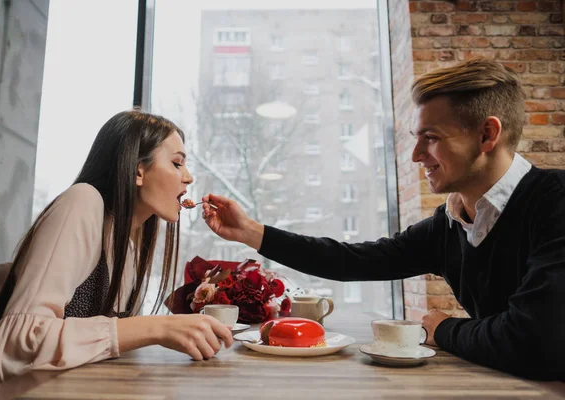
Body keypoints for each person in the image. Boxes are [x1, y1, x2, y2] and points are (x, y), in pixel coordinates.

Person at [199, 59, 565, 381]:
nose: (417, 155)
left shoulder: (555, 203)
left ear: (487, 134)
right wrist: (250, 231)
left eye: (431, 138)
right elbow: (352, 259)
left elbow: (535, 341)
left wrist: (444, 329)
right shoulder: (449, 223)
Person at [0, 111, 233, 396]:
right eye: (177, 163)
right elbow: (15, 345)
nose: (188, 177)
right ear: (137, 170)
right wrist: (158, 327)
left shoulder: (128, 245)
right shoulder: (83, 201)